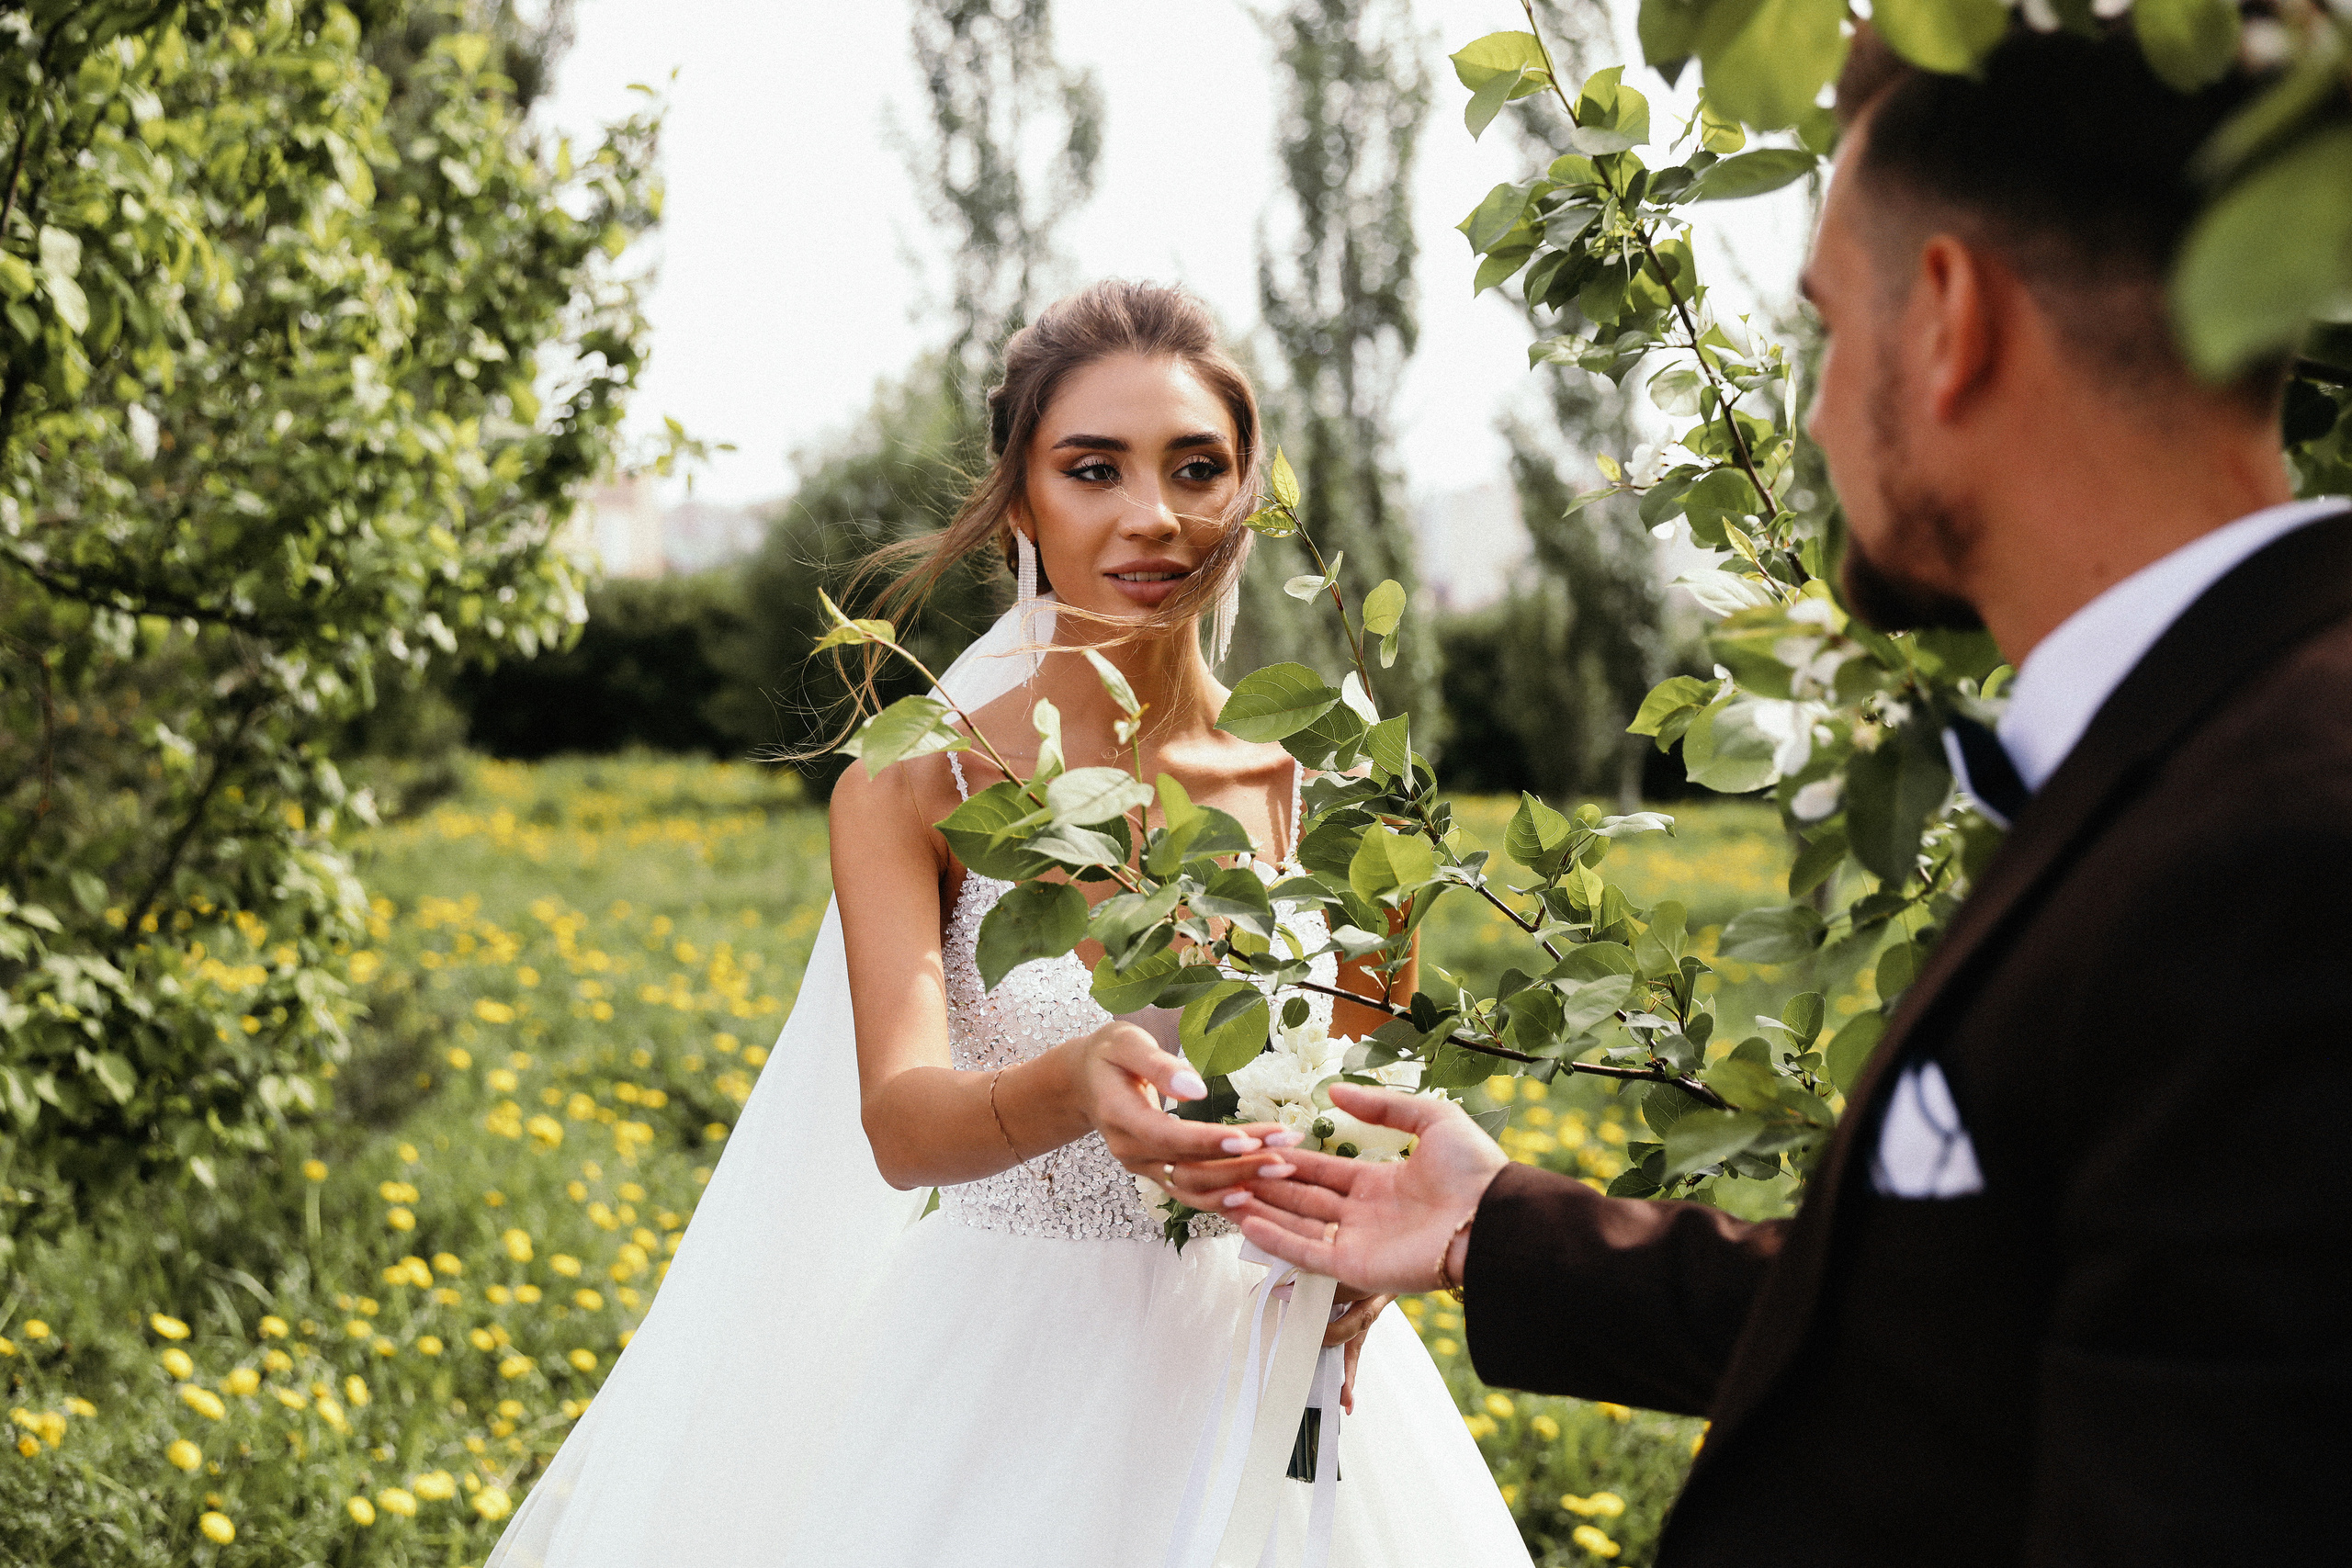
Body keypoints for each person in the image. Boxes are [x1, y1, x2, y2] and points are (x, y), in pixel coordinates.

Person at [1213, 29, 2351, 1568]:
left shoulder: (2282, 850)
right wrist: (1497, 1228)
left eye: (1823, 326)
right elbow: (1972, 1314)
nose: (1811, 418)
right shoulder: (2219, 739)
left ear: (1946, 319)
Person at [483, 281, 1532, 1566]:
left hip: (1275, 1370)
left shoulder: (1344, 791)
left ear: (1250, 494)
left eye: (1196, 467)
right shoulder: (917, 786)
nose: (1152, 514)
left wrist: (1363, 1253)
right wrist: (1077, 1083)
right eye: (1094, 469)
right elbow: (902, 1122)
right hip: (1000, 1390)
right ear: (1021, 497)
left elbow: (1378, 1093)